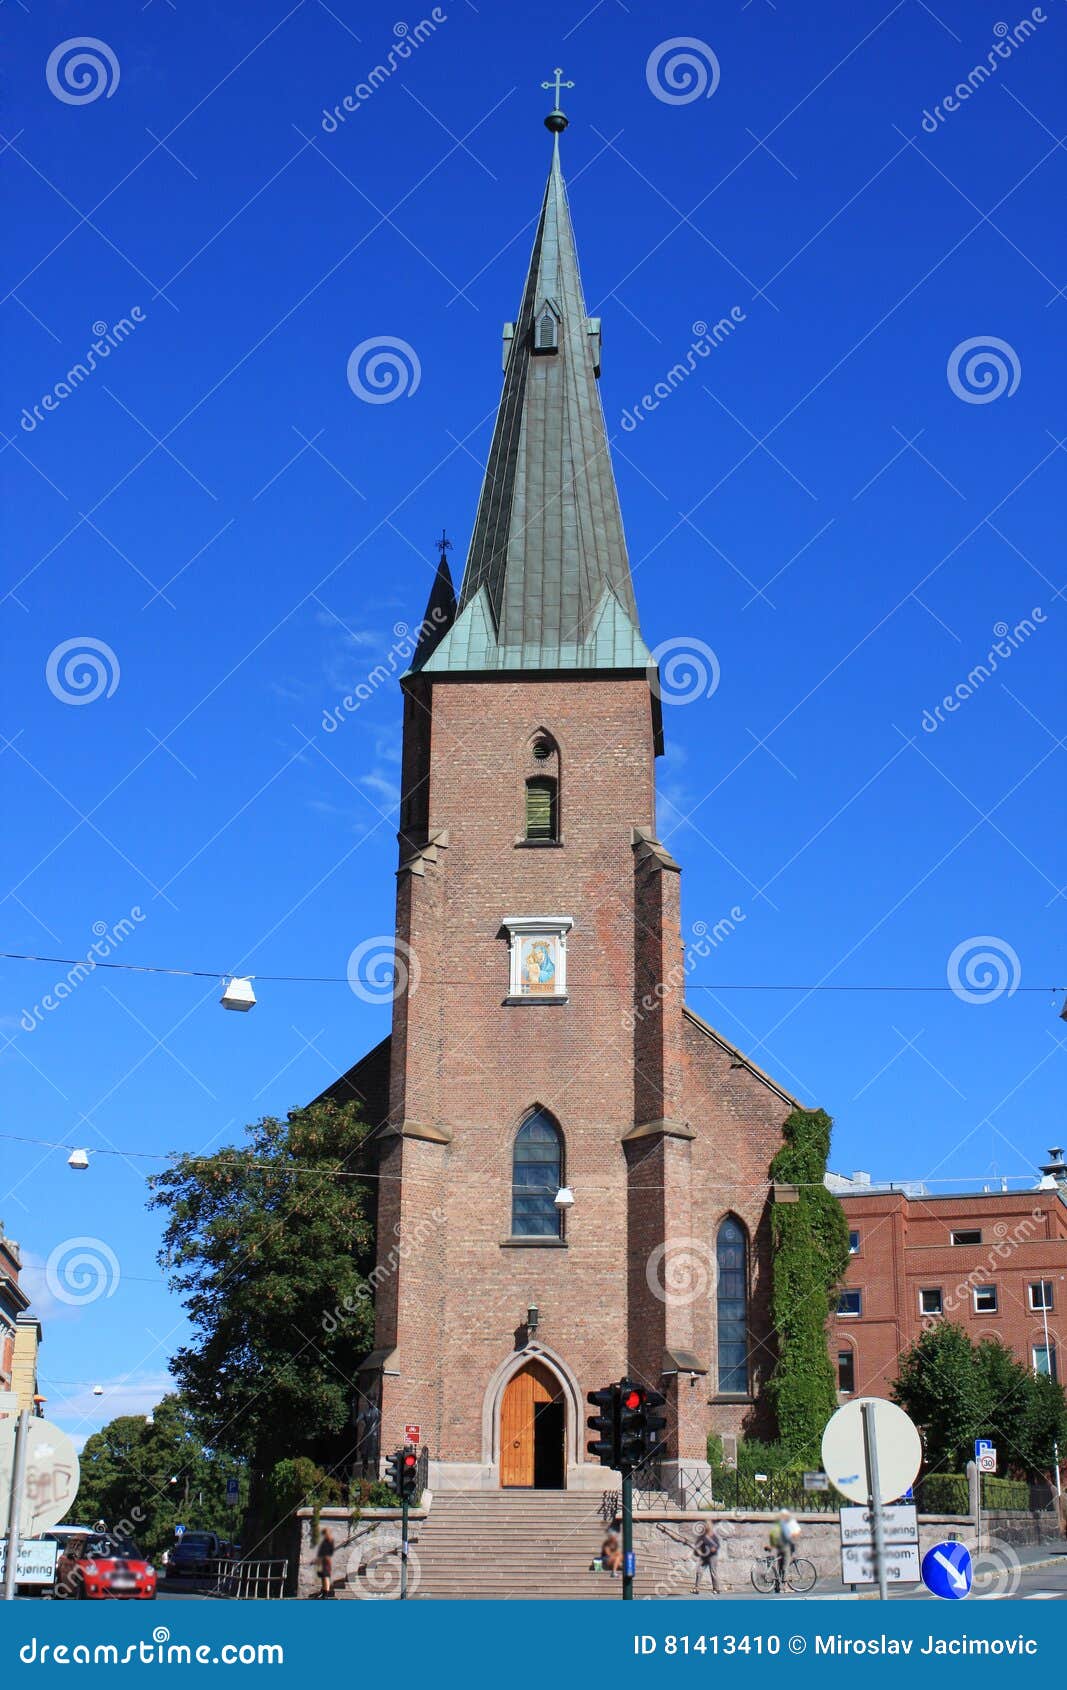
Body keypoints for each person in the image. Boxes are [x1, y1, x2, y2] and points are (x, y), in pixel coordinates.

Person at [769, 1510, 801, 1588]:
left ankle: (778, 1586)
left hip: (779, 1544)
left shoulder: (781, 1523)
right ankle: (785, 1586)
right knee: (785, 1565)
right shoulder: (788, 1522)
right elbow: (796, 1533)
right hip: (785, 1545)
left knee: (780, 1564)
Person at [692, 1522, 721, 1594]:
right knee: (699, 1571)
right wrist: (698, 1551)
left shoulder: (713, 1536)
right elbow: (697, 1545)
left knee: (713, 1571)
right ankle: (696, 1588)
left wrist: (714, 1548)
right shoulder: (702, 1537)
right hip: (705, 1556)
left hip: (712, 1556)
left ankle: (716, 1589)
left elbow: (717, 1545)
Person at [314, 1528, 335, 1599]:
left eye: (324, 1534)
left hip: (326, 1561)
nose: (324, 1535)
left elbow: (329, 1551)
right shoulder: (326, 1541)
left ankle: (326, 1593)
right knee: (323, 1577)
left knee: (326, 1577)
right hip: (322, 1561)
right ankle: (323, 1592)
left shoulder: (329, 1540)